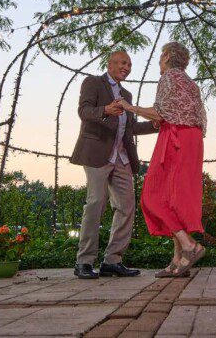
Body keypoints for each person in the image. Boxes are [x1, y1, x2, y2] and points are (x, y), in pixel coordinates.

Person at [119, 41, 207, 277]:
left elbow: (160, 112)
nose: (159, 61)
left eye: (160, 57)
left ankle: (190, 246)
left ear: (167, 56)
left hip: (175, 139)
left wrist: (130, 107)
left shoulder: (168, 77)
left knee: (152, 197)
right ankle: (178, 261)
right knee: (175, 200)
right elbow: (185, 113)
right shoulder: (190, 83)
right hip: (193, 140)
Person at [70, 50, 158, 279]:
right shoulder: (93, 83)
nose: (126, 67)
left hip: (122, 158)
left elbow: (131, 129)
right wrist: (105, 111)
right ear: (109, 64)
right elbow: (83, 111)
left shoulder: (126, 94)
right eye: (122, 62)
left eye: (129, 64)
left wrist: (155, 126)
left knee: (127, 207)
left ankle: (112, 261)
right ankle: (85, 262)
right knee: (96, 202)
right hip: (97, 153)